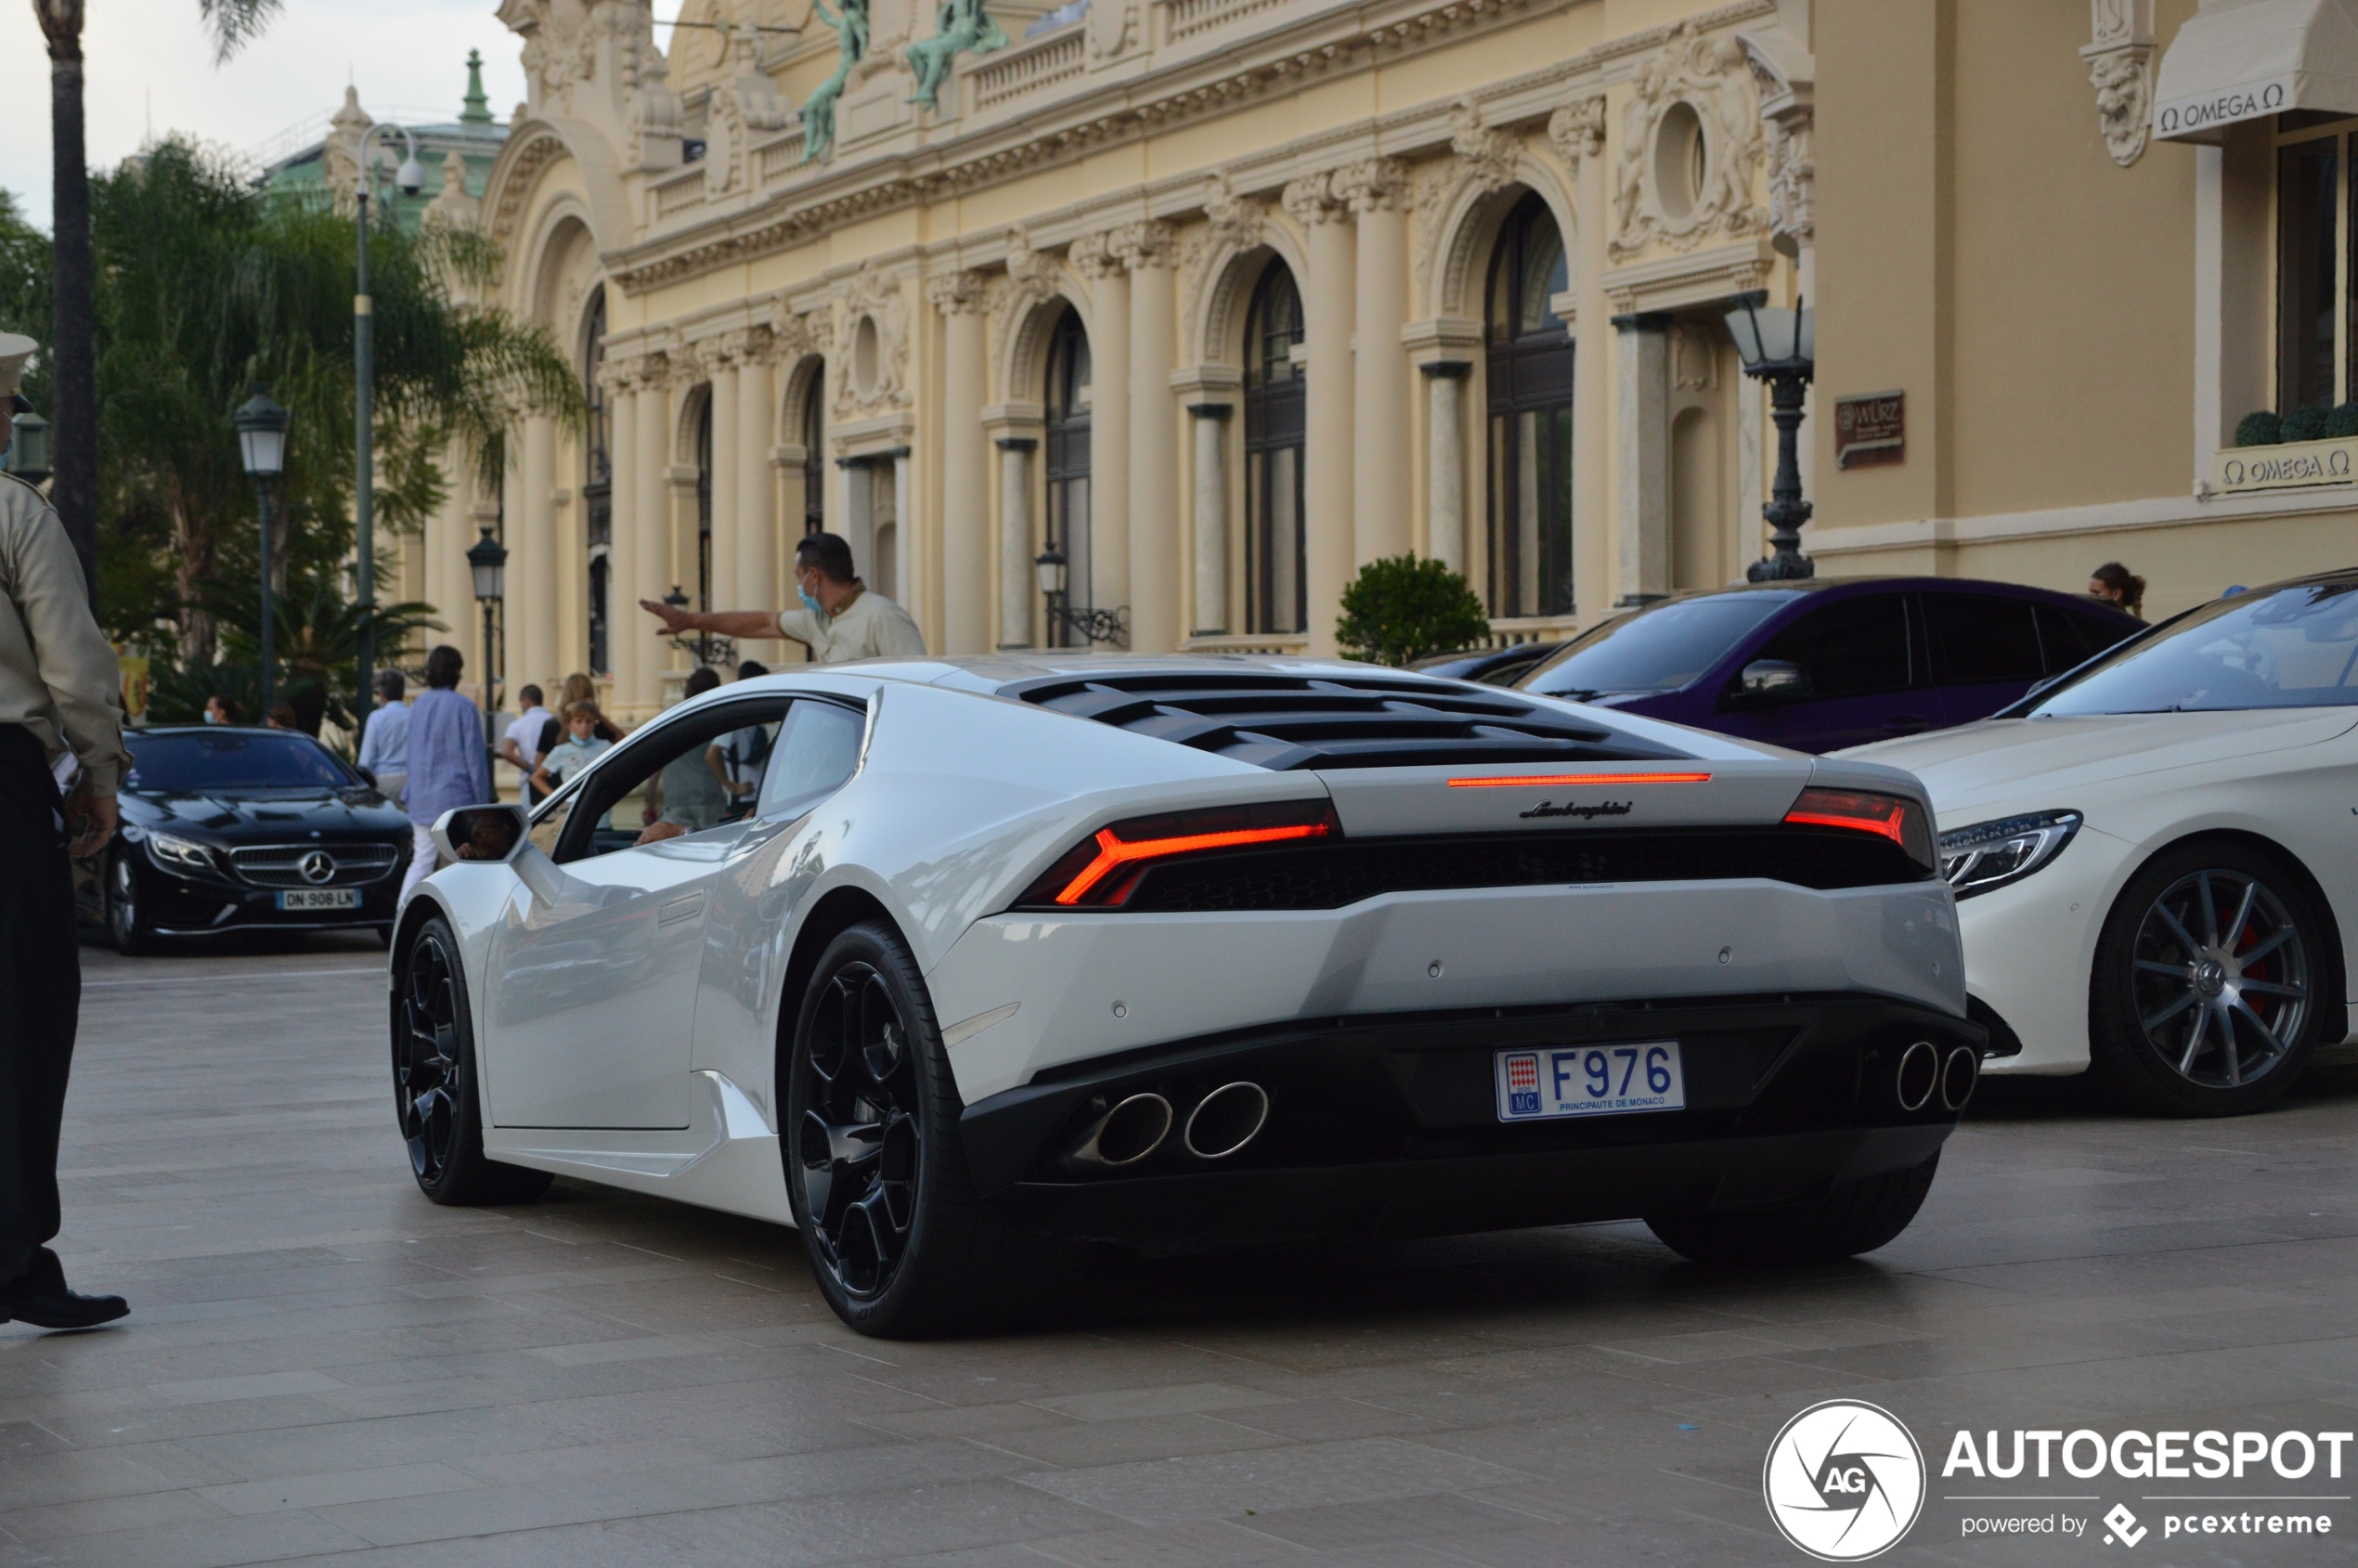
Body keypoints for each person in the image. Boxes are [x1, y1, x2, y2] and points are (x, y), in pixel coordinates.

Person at [0, 330, 133, 1329]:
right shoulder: (14, 514)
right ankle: (12, 1259)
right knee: (23, 1018)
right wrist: (98, 778)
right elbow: (75, 668)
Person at [640, 530, 926, 665]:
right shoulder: (818, 620)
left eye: (798, 575)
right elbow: (763, 623)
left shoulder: (882, 616)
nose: (798, 585)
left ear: (814, 576)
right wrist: (690, 620)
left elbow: (920, 688)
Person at [400, 644, 494, 904]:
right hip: (456, 799)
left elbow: (412, 753)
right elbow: (474, 759)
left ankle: (402, 914)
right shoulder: (463, 707)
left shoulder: (418, 705)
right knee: (460, 863)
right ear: (456, 673)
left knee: (421, 862)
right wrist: (482, 801)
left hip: (421, 797)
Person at [636, 667, 732, 845]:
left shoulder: (669, 716)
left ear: (687, 689)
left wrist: (649, 799)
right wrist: (732, 787)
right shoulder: (716, 717)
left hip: (676, 799)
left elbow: (658, 759)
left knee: (676, 848)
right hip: (708, 797)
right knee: (710, 846)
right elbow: (716, 756)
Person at [530, 700, 614, 798]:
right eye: (579, 721)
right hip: (573, 806)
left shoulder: (606, 747)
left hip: (599, 804)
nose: (584, 726)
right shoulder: (561, 751)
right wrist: (555, 797)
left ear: (594, 723)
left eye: (589, 721)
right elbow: (537, 777)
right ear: (569, 724)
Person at [717, 659, 772, 802]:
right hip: (742, 800)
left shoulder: (756, 718)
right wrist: (733, 788)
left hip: (759, 796)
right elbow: (712, 755)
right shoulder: (735, 718)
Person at [356, 668, 409, 808]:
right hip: (410, 780)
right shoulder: (414, 715)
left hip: (383, 781)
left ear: (382, 693)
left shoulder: (376, 718)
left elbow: (366, 759)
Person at [499, 683, 552, 804]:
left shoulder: (517, 725)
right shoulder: (553, 721)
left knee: (531, 820)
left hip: (529, 782)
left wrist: (530, 768)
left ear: (526, 702)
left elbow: (506, 752)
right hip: (553, 781)